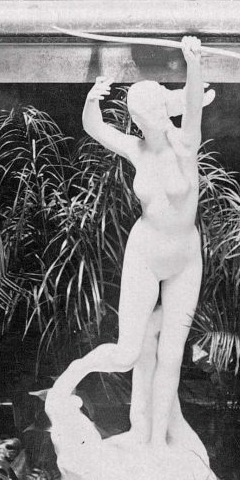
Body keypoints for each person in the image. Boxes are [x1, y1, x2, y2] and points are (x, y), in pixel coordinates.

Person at [49, 37, 211, 450]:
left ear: (163, 109)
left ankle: (156, 443)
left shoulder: (185, 146)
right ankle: (68, 379)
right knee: (126, 353)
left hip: (184, 259)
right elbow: (95, 128)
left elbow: (193, 107)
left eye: (151, 111)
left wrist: (193, 63)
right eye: (138, 116)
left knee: (172, 356)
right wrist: (91, 101)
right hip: (143, 253)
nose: (145, 122)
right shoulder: (138, 150)